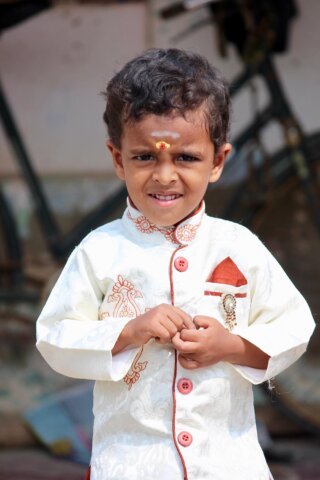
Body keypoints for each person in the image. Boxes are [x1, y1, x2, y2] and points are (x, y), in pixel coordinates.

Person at [36, 48, 315, 480]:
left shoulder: (239, 247)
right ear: (117, 159)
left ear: (218, 162)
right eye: (145, 157)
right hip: (130, 463)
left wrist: (231, 346)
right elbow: (55, 336)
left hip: (227, 463)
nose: (164, 175)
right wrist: (127, 332)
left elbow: (294, 325)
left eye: (185, 158)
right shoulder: (100, 251)